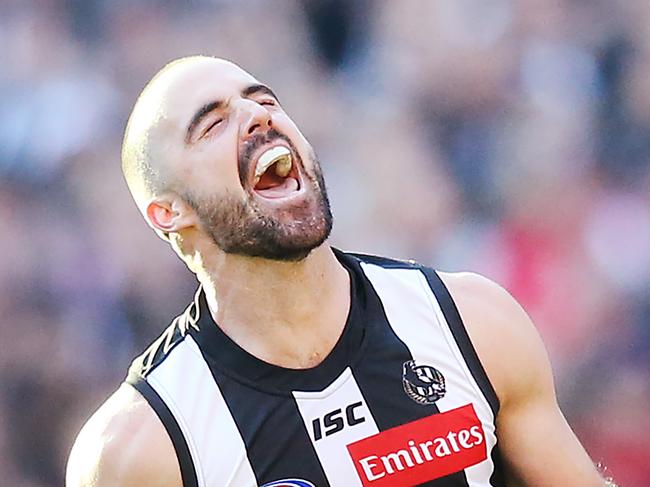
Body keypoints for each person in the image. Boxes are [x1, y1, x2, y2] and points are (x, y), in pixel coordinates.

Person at [66, 56, 610, 487]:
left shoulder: (471, 322)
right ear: (168, 213)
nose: (259, 116)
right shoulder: (140, 446)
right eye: (212, 124)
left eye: (265, 100)